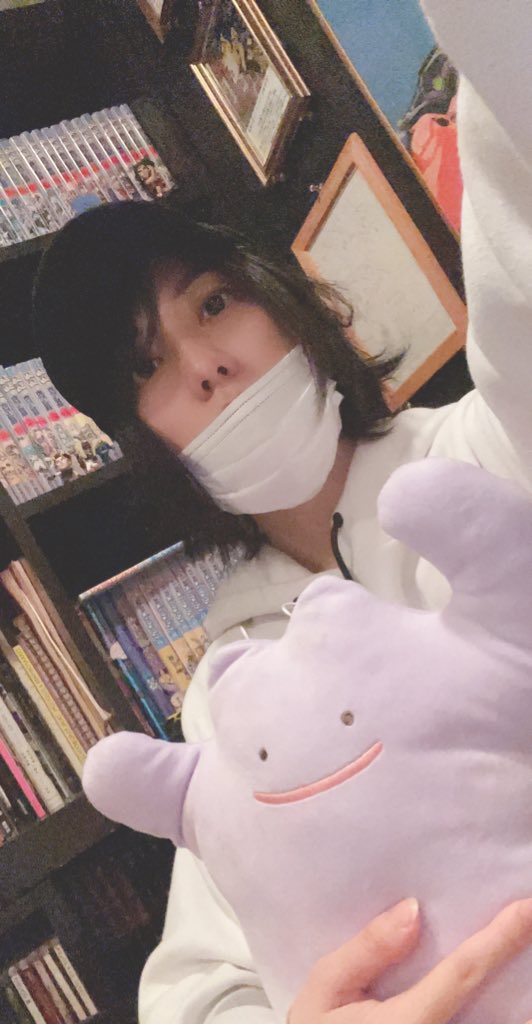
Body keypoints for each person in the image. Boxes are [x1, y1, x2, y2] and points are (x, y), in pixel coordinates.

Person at [31, 0, 532, 1021]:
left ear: (285, 307)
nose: (205, 364)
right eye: (148, 367)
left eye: (213, 304)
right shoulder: (229, 686)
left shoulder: (488, 454)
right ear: (150, 444)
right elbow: (199, 983)